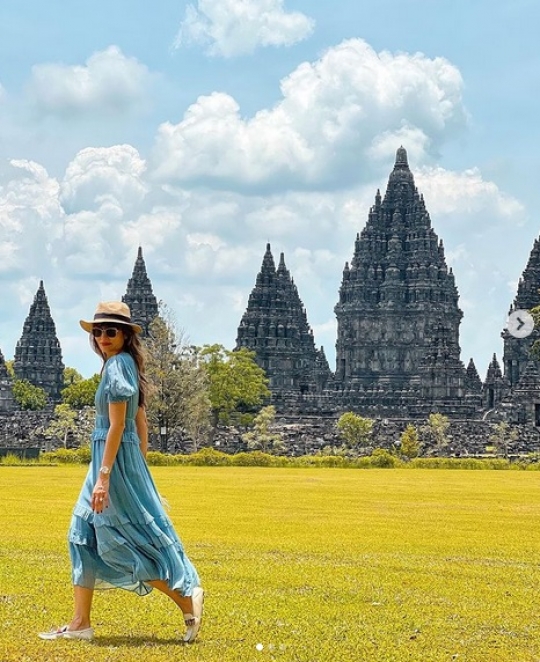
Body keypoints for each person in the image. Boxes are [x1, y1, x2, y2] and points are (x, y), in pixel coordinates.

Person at [39, 301, 204, 643]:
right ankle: (80, 622)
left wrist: (105, 477)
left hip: (109, 461)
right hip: (119, 460)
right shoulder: (123, 365)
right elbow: (139, 423)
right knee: (81, 532)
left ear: (126, 335)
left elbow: (116, 426)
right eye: (97, 332)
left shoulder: (117, 367)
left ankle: (187, 597)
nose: (102, 337)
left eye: (110, 331)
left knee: (117, 541)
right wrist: (136, 468)